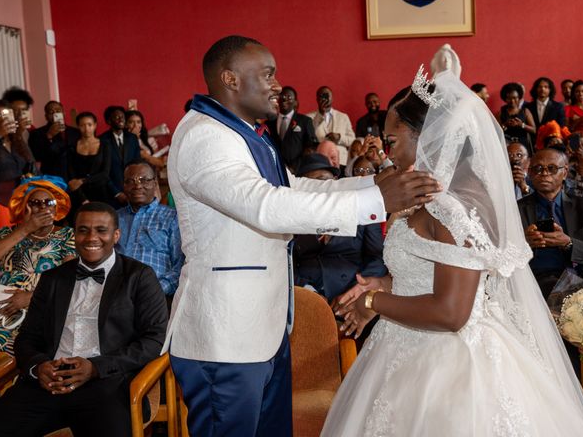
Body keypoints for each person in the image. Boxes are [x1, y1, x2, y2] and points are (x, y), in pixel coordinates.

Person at [163, 35, 440, 437]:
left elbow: (293, 189)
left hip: (262, 328)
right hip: (226, 336)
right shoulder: (206, 137)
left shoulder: (244, 133)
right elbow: (266, 207)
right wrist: (376, 200)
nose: (278, 85)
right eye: (268, 74)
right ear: (231, 79)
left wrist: (368, 188)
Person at [322, 44, 583, 436]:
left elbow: (453, 313)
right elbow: (430, 273)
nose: (388, 155)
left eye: (393, 141)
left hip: (449, 364)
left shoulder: (450, 209)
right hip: (403, 346)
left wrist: (373, 302)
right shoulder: (424, 199)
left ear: (430, 138)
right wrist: (387, 284)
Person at [0, 202, 168, 437]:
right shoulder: (52, 279)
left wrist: (96, 367)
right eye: (83, 230)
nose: (91, 237)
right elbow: (27, 337)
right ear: (74, 234)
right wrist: (39, 366)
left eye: (101, 230)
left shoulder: (139, 277)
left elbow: (155, 339)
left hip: (107, 383)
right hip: (49, 382)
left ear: (116, 235)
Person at [0, 176, 76, 354]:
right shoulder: (5, 234)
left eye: (49, 202)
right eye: (35, 203)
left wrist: (31, 298)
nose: (42, 207)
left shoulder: (67, 236)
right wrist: (25, 229)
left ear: (56, 208)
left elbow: (68, 281)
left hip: (37, 307)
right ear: (24, 207)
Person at [292, 154, 387, 301]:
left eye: (324, 181)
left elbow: (376, 258)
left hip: (351, 289)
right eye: (312, 183)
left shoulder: (361, 211)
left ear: (335, 182)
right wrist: (306, 290)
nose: (320, 188)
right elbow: (285, 263)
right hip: (306, 293)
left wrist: (359, 288)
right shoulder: (292, 217)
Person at [518, 148, 583, 298]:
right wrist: (524, 243)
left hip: (580, 284)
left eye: (551, 168)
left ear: (564, 172)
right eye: (538, 169)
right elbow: (503, 252)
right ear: (530, 173)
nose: (544, 173)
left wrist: (569, 243)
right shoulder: (516, 209)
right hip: (532, 285)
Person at [116, 161, 184, 298]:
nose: (137, 185)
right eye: (130, 181)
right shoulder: (114, 218)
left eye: (144, 180)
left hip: (154, 297)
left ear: (155, 183)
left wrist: (154, 290)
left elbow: (180, 266)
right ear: (124, 186)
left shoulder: (172, 217)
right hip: (116, 295)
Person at [266, 86, 318, 173]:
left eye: (289, 98)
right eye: (282, 97)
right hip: (275, 170)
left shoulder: (305, 121)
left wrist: (295, 166)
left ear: (295, 103)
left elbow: (311, 146)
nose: (284, 100)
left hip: (298, 170)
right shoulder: (269, 122)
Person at [67, 112, 112, 211]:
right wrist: (82, 199)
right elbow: (71, 176)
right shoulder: (72, 146)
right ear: (78, 126)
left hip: (101, 192)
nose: (86, 129)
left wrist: (83, 181)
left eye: (89, 125)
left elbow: (105, 173)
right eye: (82, 125)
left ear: (95, 125)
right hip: (79, 194)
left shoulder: (105, 145)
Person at [99, 106, 141, 207]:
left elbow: (137, 164)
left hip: (132, 192)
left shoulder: (132, 138)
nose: (121, 119)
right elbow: (102, 171)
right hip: (111, 195)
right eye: (117, 117)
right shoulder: (102, 140)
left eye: (122, 117)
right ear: (109, 121)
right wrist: (116, 193)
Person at [28, 100, 80, 180]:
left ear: (64, 113)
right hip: (51, 177)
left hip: (74, 177)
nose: (55, 114)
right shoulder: (37, 133)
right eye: (51, 112)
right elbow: (37, 155)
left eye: (58, 111)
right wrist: (49, 136)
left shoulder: (76, 132)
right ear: (46, 116)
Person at [308, 86, 356, 166]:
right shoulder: (309, 118)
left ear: (332, 98)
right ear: (317, 99)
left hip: (341, 161)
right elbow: (309, 139)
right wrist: (320, 117)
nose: (324, 99)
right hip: (319, 161)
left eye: (326, 95)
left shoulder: (343, 117)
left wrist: (339, 137)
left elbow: (352, 140)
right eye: (321, 96)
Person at [0, 100, 35, 198]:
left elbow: (31, 164)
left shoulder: (16, 140)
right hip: (0, 201)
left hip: (21, 197)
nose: (3, 120)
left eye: (7, 116)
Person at [496, 82, 536, 152]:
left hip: (523, 145)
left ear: (519, 98)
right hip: (506, 144)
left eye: (515, 98)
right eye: (509, 98)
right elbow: (496, 132)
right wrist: (505, 125)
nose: (512, 101)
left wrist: (521, 125)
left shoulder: (525, 111)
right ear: (505, 98)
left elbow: (534, 130)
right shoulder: (501, 112)